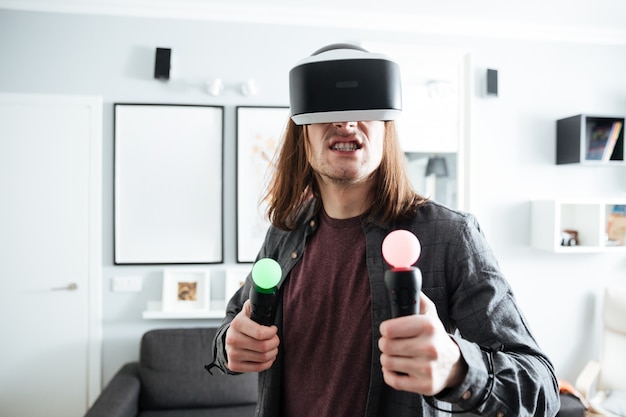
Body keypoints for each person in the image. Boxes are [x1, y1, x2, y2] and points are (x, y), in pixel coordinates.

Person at [206, 44, 560, 417]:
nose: (345, 122)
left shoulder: (451, 237)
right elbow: (232, 324)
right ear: (302, 130)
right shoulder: (283, 233)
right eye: (328, 108)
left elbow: (542, 388)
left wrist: (457, 368)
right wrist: (229, 344)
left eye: (364, 108)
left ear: (386, 127)